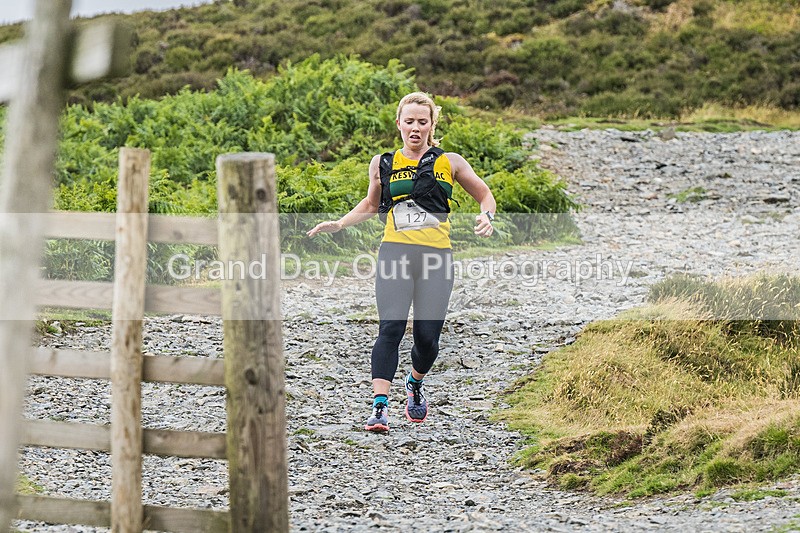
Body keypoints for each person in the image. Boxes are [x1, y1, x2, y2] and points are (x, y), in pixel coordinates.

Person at [307, 91, 496, 432]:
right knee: (390, 328)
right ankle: (379, 407)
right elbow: (369, 204)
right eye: (409, 121)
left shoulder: (449, 161)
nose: (415, 128)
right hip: (394, 252)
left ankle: (415, 383)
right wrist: (338, 223)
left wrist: (487, 216)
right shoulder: (383, 162)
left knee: (427, 340)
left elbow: (484, 194)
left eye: (422, 122)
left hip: (437, 257)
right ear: (399, 124)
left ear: (431, 125)